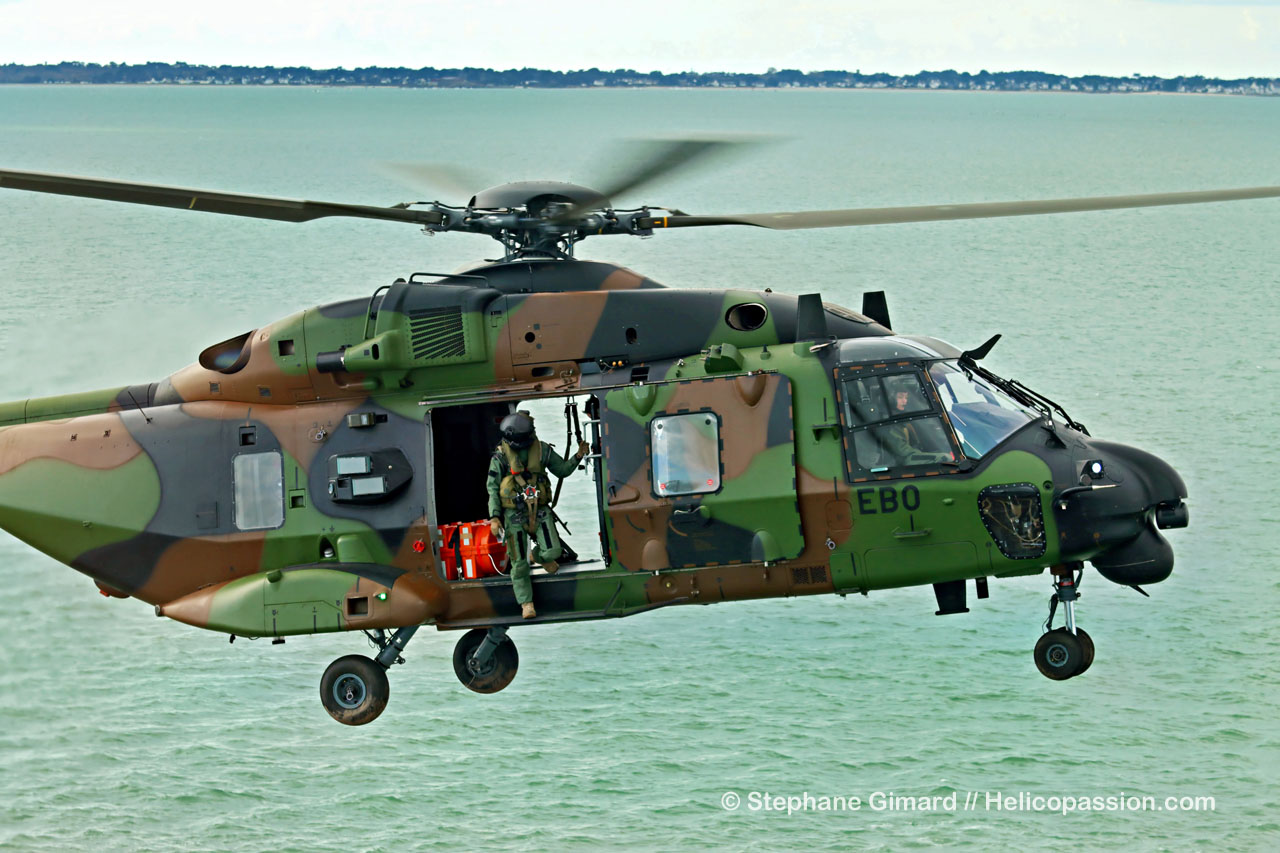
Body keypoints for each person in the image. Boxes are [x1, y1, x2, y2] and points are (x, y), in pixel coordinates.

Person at [486, 410, 589, 619]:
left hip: (540, 510)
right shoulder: (501, 457)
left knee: (553, 551)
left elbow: (562, 470)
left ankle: (538, 556)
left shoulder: (542, 450)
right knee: (519, 564)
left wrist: (578, 455)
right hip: (513, 514)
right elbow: (493, 488)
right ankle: (526, 603)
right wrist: (495, 517)